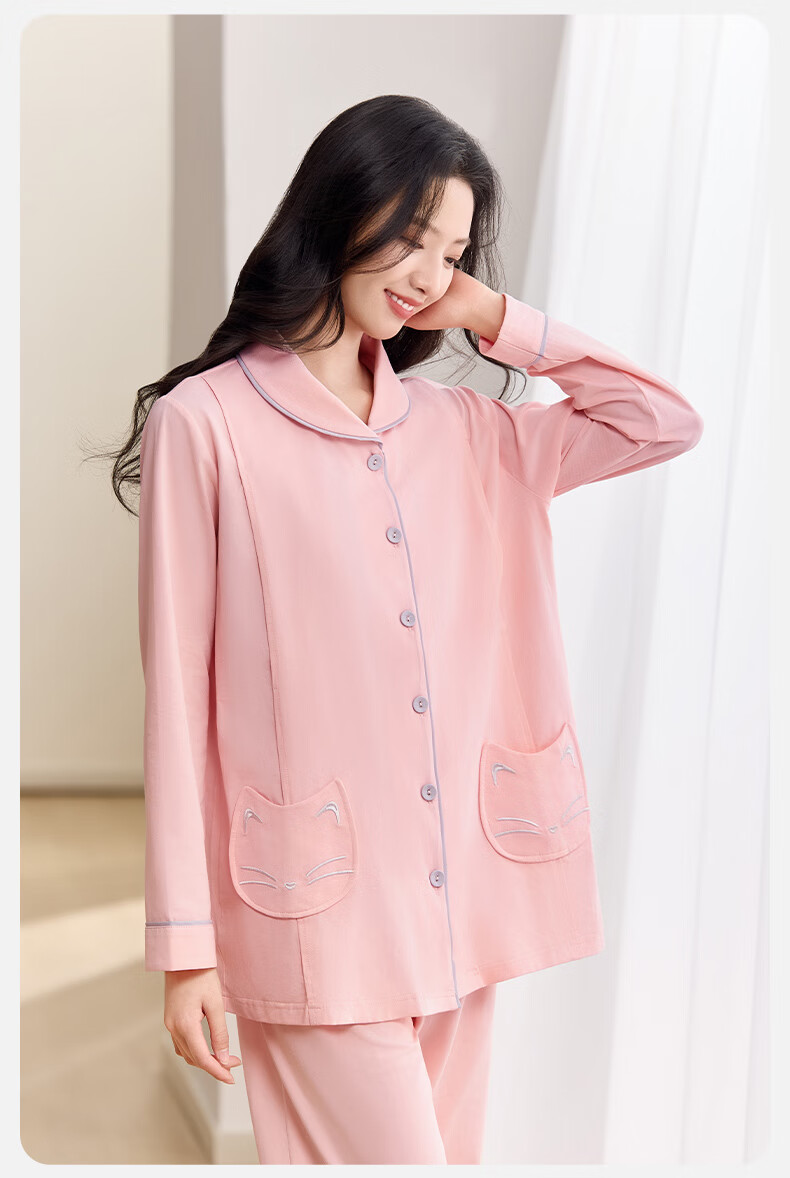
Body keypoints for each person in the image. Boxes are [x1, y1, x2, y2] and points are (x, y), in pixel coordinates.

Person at [106, 94, 704, 1164]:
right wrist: (184, 946)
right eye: (414, 236)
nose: (430, 273)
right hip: (312, 907)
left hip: (462, 902)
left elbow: (660, 421)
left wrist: (495, 314)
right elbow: (179, 706)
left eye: (454, 253)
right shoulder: (208, 424)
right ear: (342, 210)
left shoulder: (471, 431)